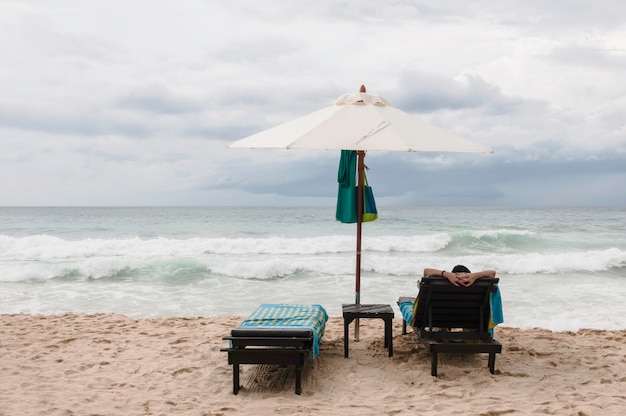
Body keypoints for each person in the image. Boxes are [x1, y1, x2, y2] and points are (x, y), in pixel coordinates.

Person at [423, 265, 496, 287]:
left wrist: (446, 274)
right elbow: (492, 273)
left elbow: (426, 271)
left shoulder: (445, 284)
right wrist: (475, 275)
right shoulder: (475, 285)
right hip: (473, 318)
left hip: (442, 316)